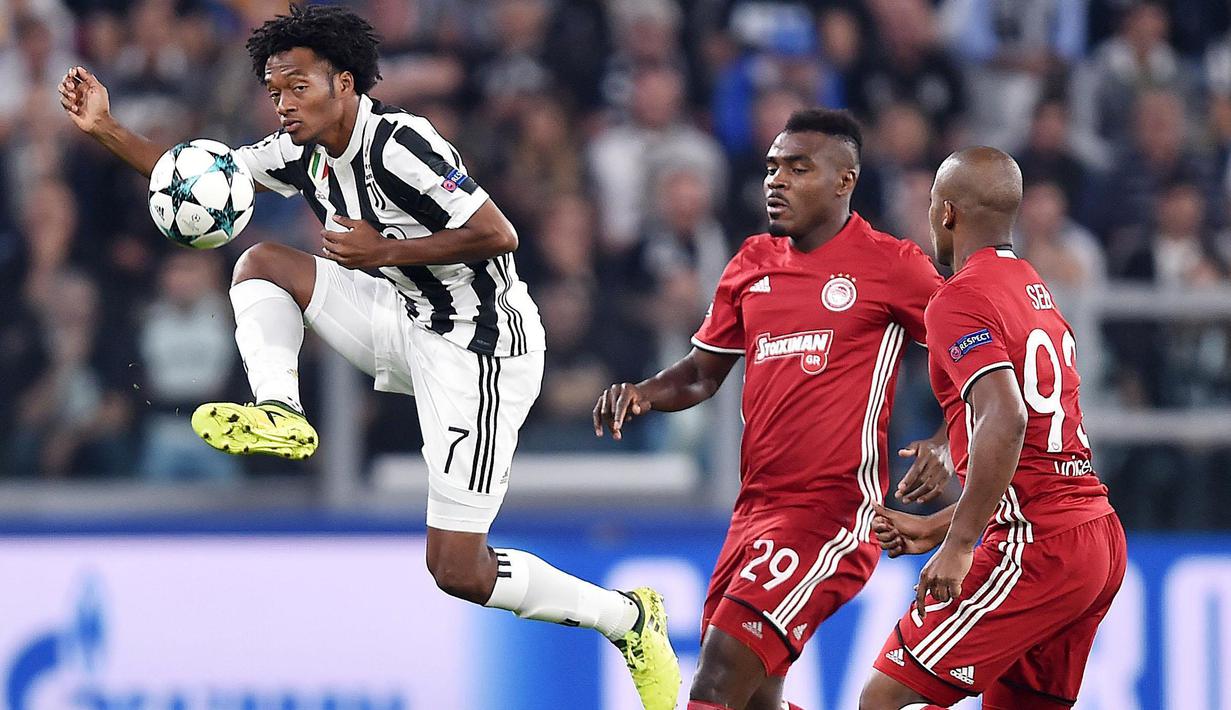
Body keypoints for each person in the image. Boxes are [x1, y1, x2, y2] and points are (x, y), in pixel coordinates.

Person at [57, 6, 679, 707]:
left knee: (457, 569)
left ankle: (628, 619)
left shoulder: (401, 144)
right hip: (405, 318)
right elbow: (200, 179)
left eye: (298, 88)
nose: (284, 105)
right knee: (262, 263)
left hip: (480, 351)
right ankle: (280, 409)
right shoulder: (302, 149)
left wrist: (384, 251)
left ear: (344, 83)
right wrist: (106, 128)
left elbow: (497, 233)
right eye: (275, 91)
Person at [595, 108, 951, 710]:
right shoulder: (751, 262)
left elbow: (977, 359)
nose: (776, 181)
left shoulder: (891, 264)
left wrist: (945, 440)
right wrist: (645, 392)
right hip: (754, 510)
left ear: (845, 180)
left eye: (798, 168)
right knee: (755, 699)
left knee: (715, 681)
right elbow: (702, 374)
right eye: (771, 168)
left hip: (831, 514)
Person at [859, 147, 1126, 710]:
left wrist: (959, 546)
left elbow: (1006, 417)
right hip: (1094, 533)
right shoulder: (1033, 289)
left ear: (947, 212)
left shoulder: (958, 297)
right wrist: (941, 526)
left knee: (882, 698)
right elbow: (1038, 464)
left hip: (1037, 547)